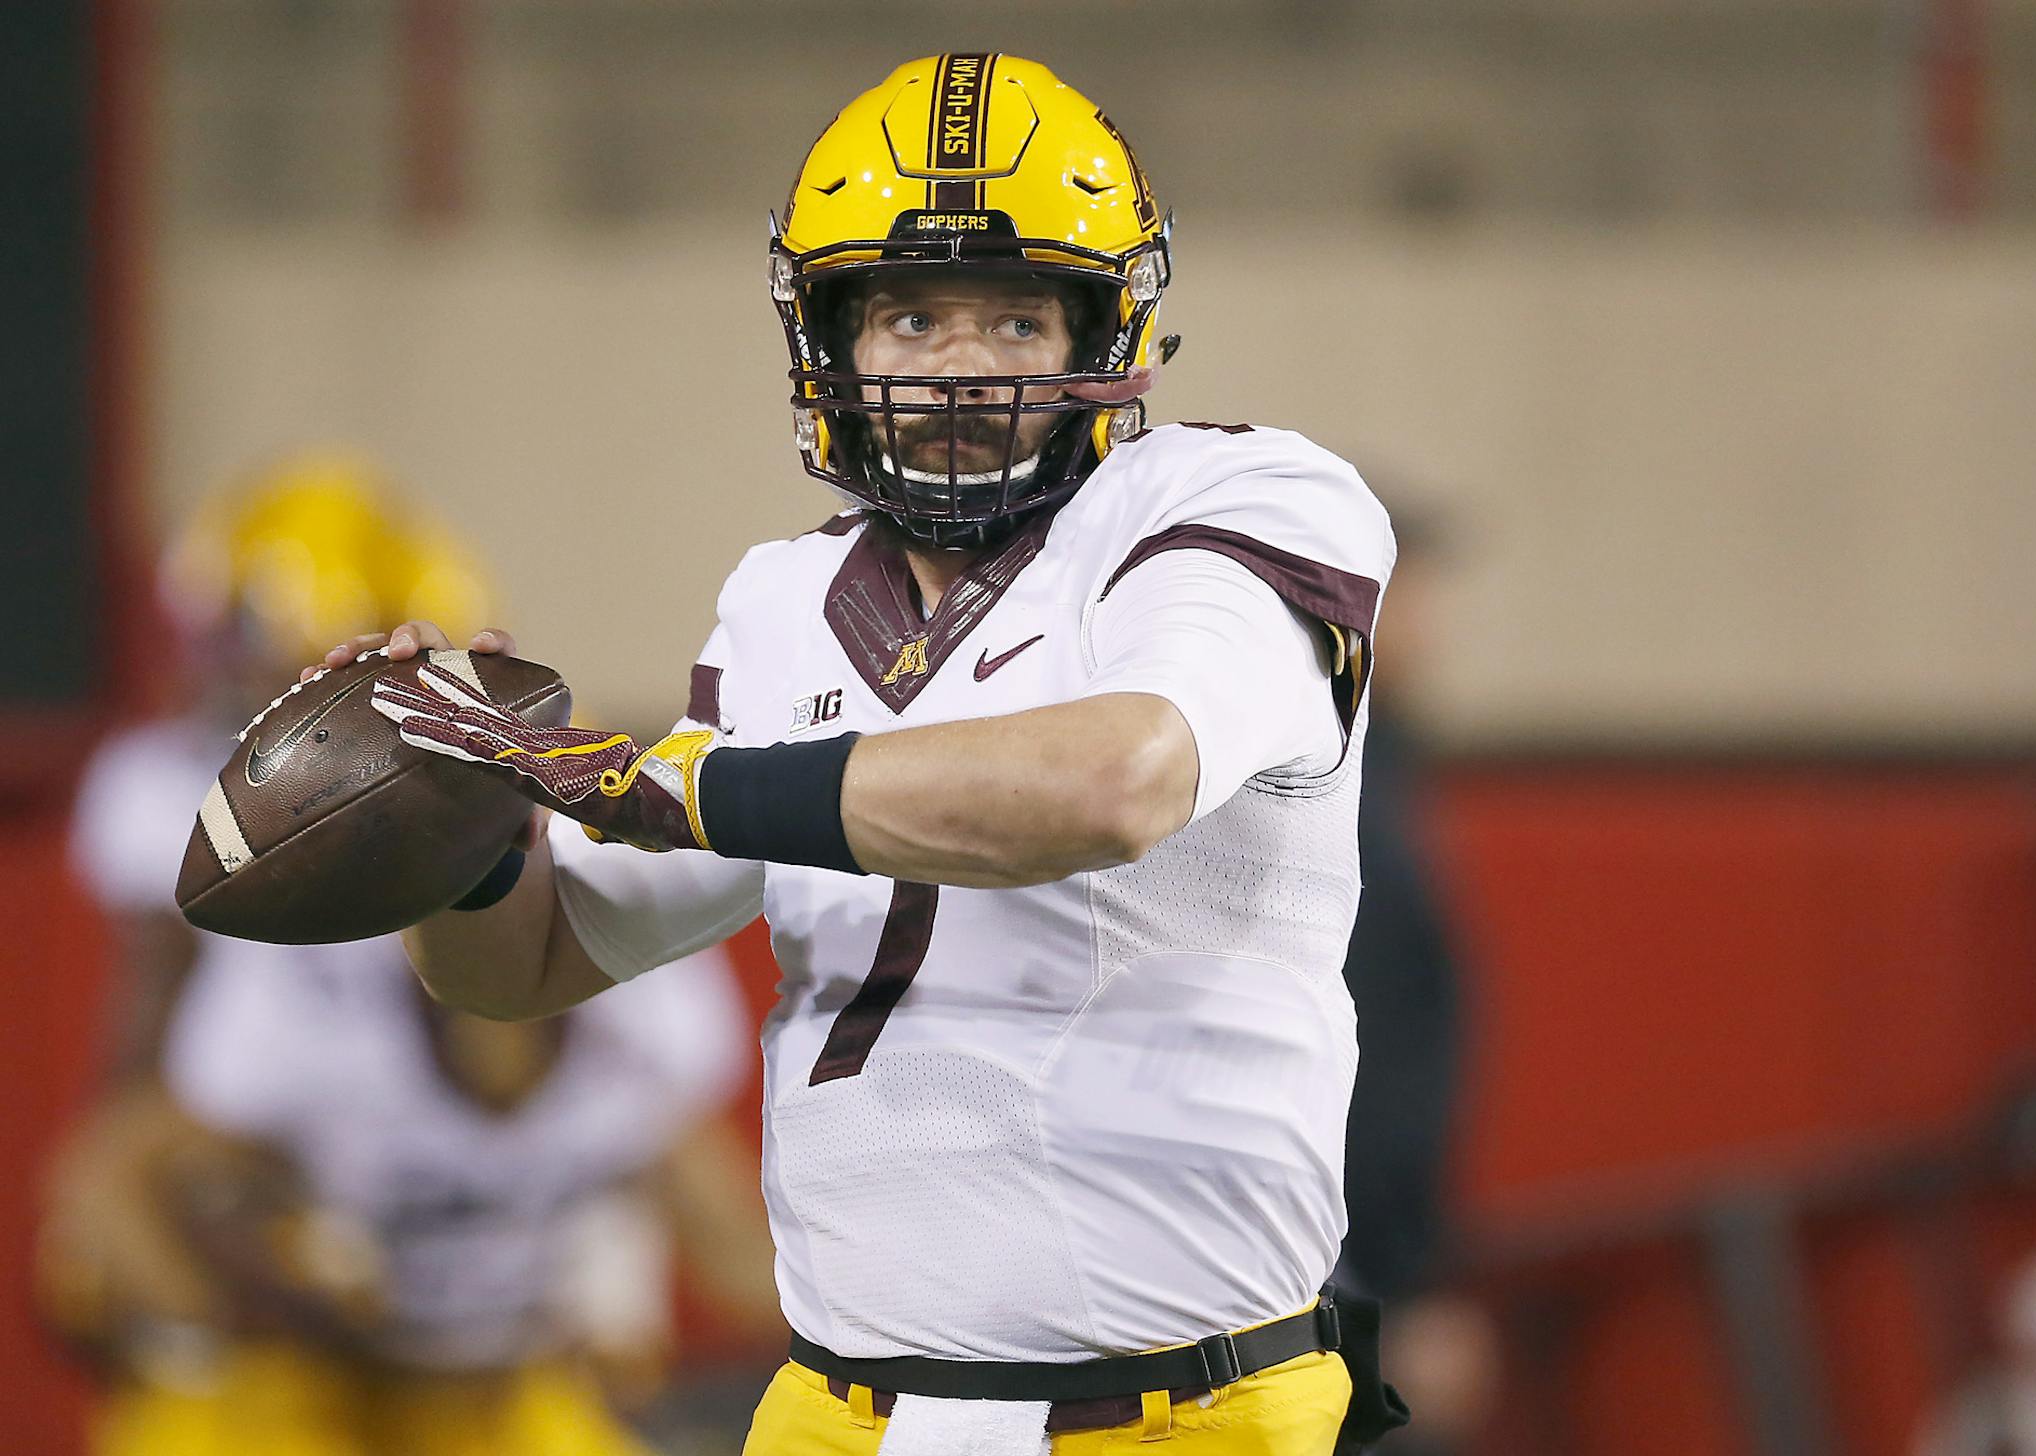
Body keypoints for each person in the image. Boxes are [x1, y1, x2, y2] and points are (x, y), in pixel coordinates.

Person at [308, 55, 1402, 1455]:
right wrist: (448, 826)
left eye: (1018, 318)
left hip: (1184, 1412)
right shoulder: (784, 603)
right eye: (912, 315)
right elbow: (522, 968)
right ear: (834, 341)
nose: (962, 364)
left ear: (1104, 333)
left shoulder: (1234, 503)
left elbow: (1118, 783)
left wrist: (682, 788)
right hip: (837, 1412)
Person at [42, 457, 779, 1456]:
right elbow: (108, 1185)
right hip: (310, 1373)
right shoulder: (307, 995)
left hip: (498, 1377)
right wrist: (237, 1298)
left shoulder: (643, 1010)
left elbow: (735, 1246)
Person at [1333, 508, 1500, 1453]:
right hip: (1327, 1293)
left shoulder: (1377, 769)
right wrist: (1386, 1302)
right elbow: (1357, 1062)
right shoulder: (1326, 788)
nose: (1430, 622)